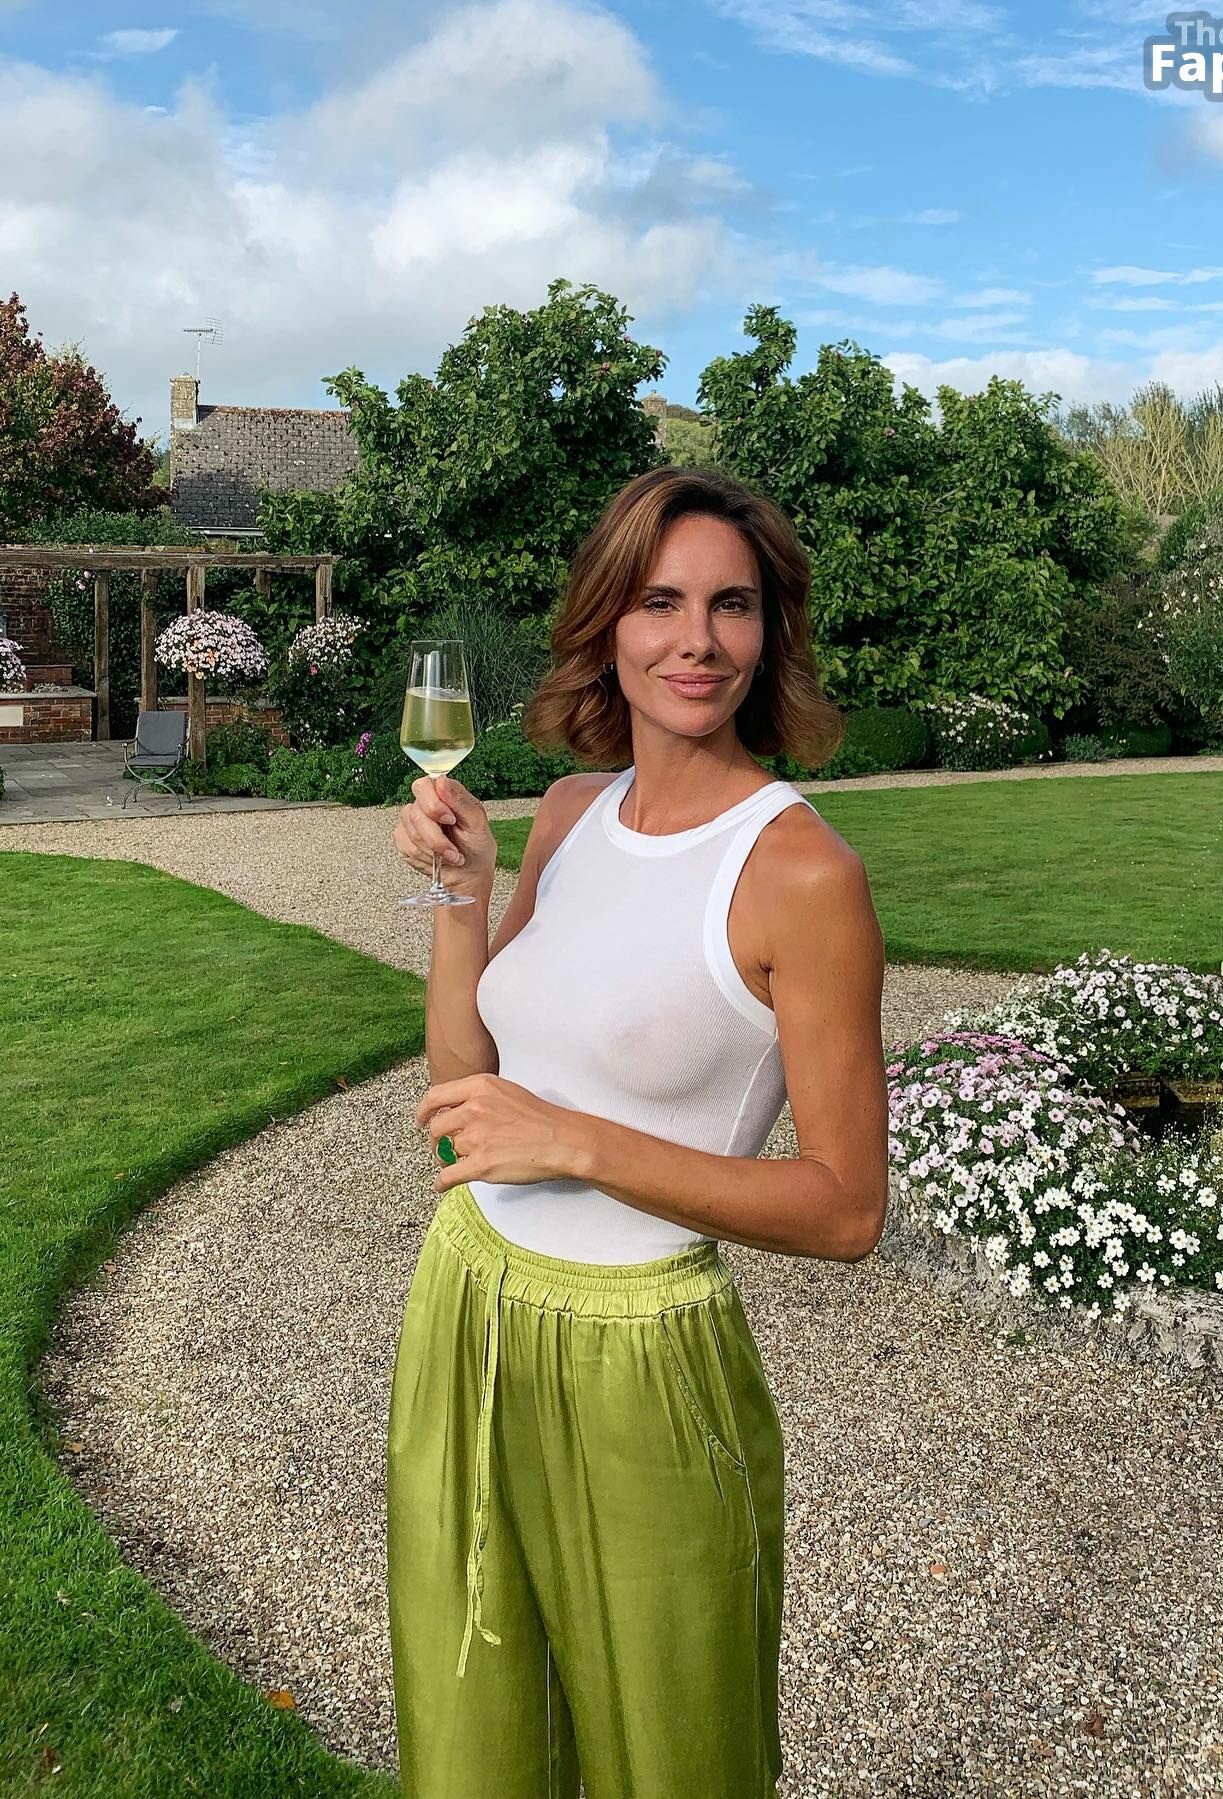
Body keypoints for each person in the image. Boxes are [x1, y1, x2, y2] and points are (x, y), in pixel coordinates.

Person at [386, 464, 889, 1798]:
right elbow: (468, 1102)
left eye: (732, 605)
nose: (696, 641)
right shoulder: (567, 814)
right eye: (661, 602)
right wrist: (461, 901)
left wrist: (581, 1143)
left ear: (769, 632)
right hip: (467, 1300)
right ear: (608, 622)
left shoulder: (801, 873)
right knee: (474, 1724)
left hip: (642, 1357)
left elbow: (848, 1209)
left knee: (675, 1755)